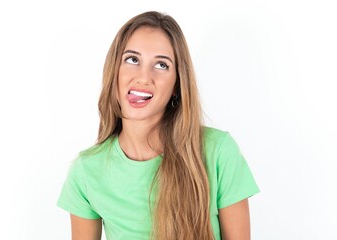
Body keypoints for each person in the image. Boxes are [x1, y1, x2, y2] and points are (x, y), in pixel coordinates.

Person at [57, 11, 259, 240]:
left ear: (176, 85)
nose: (144, 77)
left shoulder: (218, 153)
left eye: (161, 65)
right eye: (132, 59)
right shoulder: (87, 171)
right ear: (114, 70)